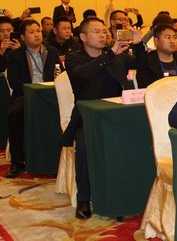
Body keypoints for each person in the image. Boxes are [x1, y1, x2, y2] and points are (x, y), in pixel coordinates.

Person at [62, 17, 146, 219]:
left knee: (143, 137)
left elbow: (142, 64)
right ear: (83, 37)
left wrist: (138, 45)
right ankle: (84, 198)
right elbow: (83, 74)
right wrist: (110, 54)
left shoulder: (116, 56)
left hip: (118, 115)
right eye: (96, 31)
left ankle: (134, 193)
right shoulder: (74, 59)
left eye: (104, 31)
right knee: (84, 145)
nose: (102, 35)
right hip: (88, 117)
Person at [6, 20, 62, 178]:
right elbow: (14, 81)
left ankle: (57, 158)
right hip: (27, 95)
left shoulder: (51, 51)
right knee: (15, 113)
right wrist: (32, 91)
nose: (37, 35)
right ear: (23, 37)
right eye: (31, 32)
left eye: (38, 31)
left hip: (50, 95)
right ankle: (17, 162)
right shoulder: (15, 55)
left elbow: (61, 74)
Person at [136, 24, 177, 88]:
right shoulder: (146, 64)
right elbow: (144, 89)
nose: (172, 41)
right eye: (168, 37)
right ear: (156, 41)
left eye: (174, 38)